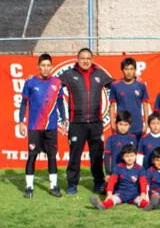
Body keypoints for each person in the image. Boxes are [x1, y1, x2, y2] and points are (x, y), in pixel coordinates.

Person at [60, 48, 114, 195]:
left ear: (92, 59)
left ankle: (98, 182)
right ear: (78, 59)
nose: (85, 61)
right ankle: (72, 184)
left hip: (96, 123)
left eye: (88, 58)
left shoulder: (99, 74)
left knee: (97, 155)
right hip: (77, 123)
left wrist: (135, 80)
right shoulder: (69, 74)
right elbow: (52, 86)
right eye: (82, 58)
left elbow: (115, 86)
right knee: (75, 156)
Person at [20, 53, 66, 198]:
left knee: (52, 156)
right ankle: (29, 187)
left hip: (51, 127)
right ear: (38, 66)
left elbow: (60, 103)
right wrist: (21, 121)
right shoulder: (30, 82)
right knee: (32, 155)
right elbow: (23, 103)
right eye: (43, 65)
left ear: (51, 66)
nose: (46, 68)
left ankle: (53, 186)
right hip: (34, 127)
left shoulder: (57, 83)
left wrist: (64, 119)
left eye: (48, 65)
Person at [89, 144, 154, 211]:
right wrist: (109, 194)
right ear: (123, 157)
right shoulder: (118, 167)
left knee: (141, 201)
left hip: (135, 195)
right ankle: (102, 205)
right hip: (121, 194)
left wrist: (143, 194)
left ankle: (150, 206)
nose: (129, 158)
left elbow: (143, 182)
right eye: (127, 156)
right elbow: (112, 181)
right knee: (112, 199)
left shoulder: (140, 168)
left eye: (132, 155)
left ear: (135, 156)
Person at [109, 57, 150, 140]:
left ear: (135, 70)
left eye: (131, 69)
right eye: (126, 69)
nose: (129, 72)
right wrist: (112, 123)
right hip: (122, 125)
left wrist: (146, 123)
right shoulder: (115, 85)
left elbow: (145, 105)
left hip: (137, 125)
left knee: (136, 151)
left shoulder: (141, 85)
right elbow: (112, 106)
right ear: (122, 70)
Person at [104, 111, 137, 180]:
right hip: (115, 172)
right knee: (108, 189)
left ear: (130, 125)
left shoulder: (133, 138)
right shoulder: (111, 138)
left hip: (130, 173)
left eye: (126, 125)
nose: (123, 127)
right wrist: (108, 173)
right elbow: (107, 157)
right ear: (116, 124)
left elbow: (135, 157)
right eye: (121, 124)